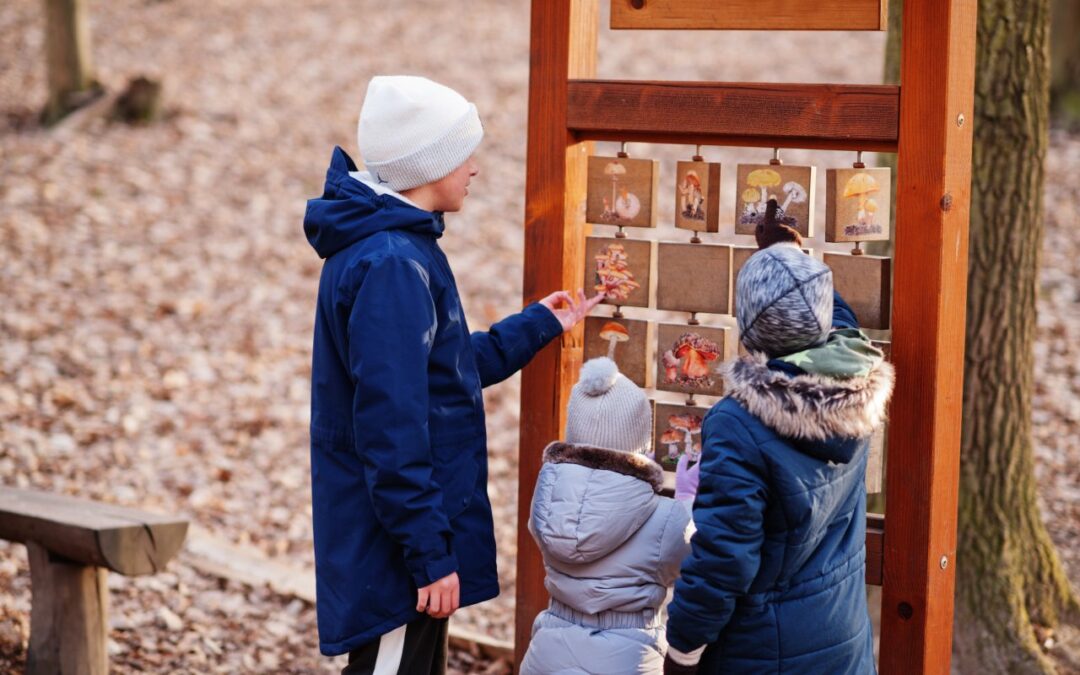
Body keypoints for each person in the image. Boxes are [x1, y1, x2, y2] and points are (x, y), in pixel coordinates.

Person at [303, 75, 600, 674]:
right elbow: (392, 425)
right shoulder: (390, 263)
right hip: (392, 551)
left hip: (401, 537)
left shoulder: (396, 248)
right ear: (428, 163)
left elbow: (440, 371)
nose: (475, 168)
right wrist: (429, 555)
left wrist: (538, 324)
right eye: (463, 153)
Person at [663, 201, 895, 674]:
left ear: (748, 328)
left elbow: (724, 557)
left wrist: (682, 649)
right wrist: (790, 253)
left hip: (762, 655)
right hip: (841, 644)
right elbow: (837, 319)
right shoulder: (856, 376)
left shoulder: (737, 424)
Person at [520, 357, 694, 674]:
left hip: (546, 653)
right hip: (627, 659)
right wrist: (689, 505)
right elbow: (699, 562)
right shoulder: (667, 518)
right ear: (639, 443)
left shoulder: (547, 497)